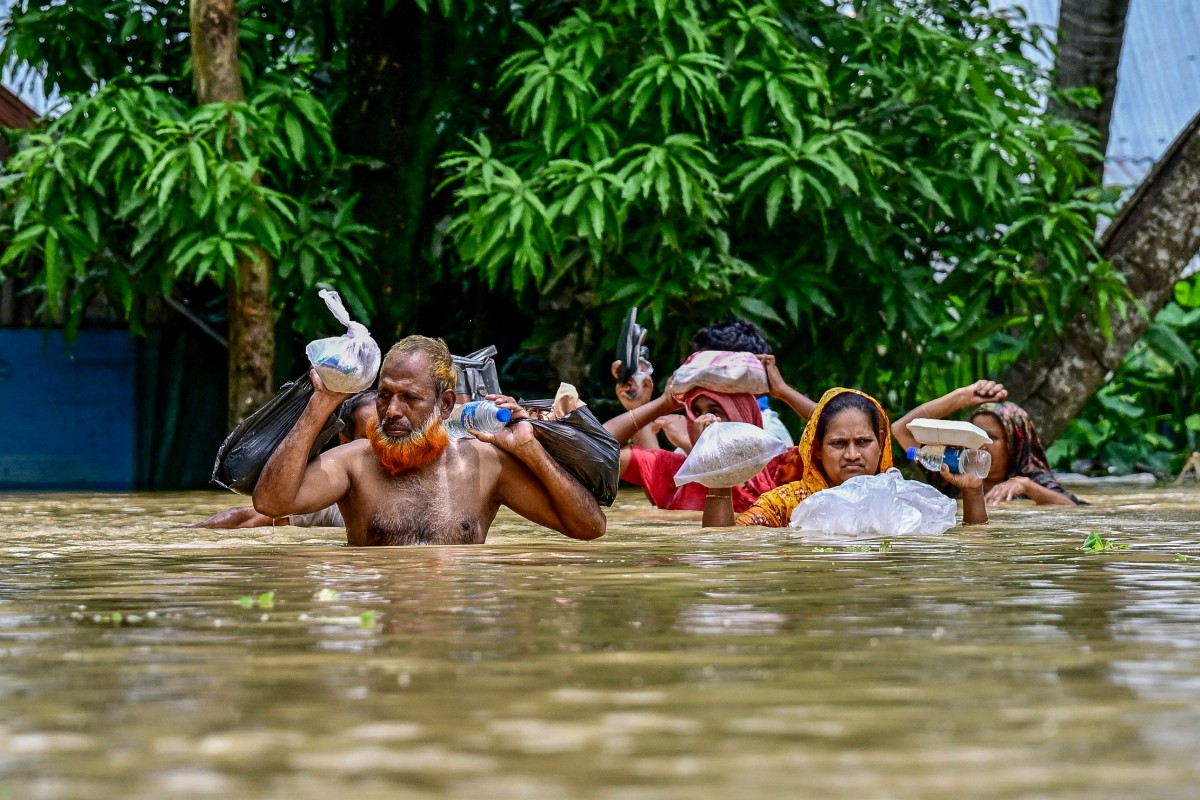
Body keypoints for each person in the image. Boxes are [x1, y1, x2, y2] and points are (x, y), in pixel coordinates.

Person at [252, 335, 607, 546]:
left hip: (451, 641)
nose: (391, 410)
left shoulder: (485, 464)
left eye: (409, 398)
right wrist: (320, 405)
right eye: (385, 395)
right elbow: (270, 503)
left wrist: (529, 450)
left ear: (445, 403)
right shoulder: (354, 463)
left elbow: (589, 528)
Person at [702, 387, 988, 527]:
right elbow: (725, 545)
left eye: (863, 442)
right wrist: (720, 482)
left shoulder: (902, 498)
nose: (852, 455)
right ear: (816, 450)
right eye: (838, 443)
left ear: (881, 444)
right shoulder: (787, 503)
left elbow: (972, 546)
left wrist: (973, 494)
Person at [603, 354, 813, 512]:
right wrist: (663, 404)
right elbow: (595, 448)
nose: (703, 420)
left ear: (744, 416)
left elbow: (840, 432)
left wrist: (783, 391)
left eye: (715, 411)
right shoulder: (676, 472)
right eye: (696, 412)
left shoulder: (780, 471)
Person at [612, 319, 813, 452]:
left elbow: (745, 489)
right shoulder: (700, 424)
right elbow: (664, 487)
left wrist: (689, 443)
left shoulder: (769, 432)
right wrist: (641, 408)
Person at [192, 391, 379, 529]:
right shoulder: (335, 495)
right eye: (370, 440)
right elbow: (251, 517)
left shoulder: (408, 482)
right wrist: (188, 534)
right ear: (345, 442)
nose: (382, 447)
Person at [891, 382, 1082, 506]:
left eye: (991, 437)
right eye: (975, 435)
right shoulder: (952, 474)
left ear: (1015, 445)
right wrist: (961, 397)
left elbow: (1070, 508)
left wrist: (1025, 486)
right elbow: (901, 429)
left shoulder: (1032, 480)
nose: (981, 444)